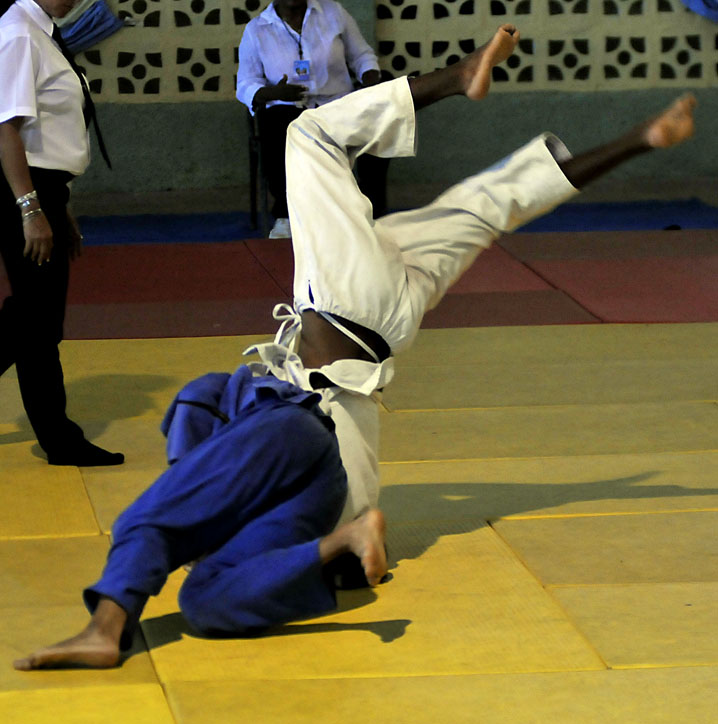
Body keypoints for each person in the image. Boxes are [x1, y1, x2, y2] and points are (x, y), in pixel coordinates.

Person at [13, 24, 696, 670]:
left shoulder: (246, 477)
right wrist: (327, 537)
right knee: (351, 152)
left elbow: (200, 430)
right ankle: (114, 623)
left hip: (357, 345)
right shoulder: (255, 498)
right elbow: (202, 425)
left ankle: (621, 130)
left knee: (425, 179)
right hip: (343, 339)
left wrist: (221, 476)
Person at [0, 0, 123, 466]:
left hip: (41, 188)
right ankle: (60, 439)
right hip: (20, 189)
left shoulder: (42, 30)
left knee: (34, 318)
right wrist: (30, 208)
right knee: (36, 321)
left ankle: (59, 437)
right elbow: (6, 130)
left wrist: (57, 205)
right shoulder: (18, 32)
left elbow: (44, 131)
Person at [236, 0, 390, 238]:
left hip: (336, 104)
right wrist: (272, 93)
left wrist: (370, 81)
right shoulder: (257, 29)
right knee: (276, 126)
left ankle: (371, 210)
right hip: (287, 108)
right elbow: (245, 83)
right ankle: (286, 215)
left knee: (376, 123)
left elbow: (362, 56)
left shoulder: (333, 13)